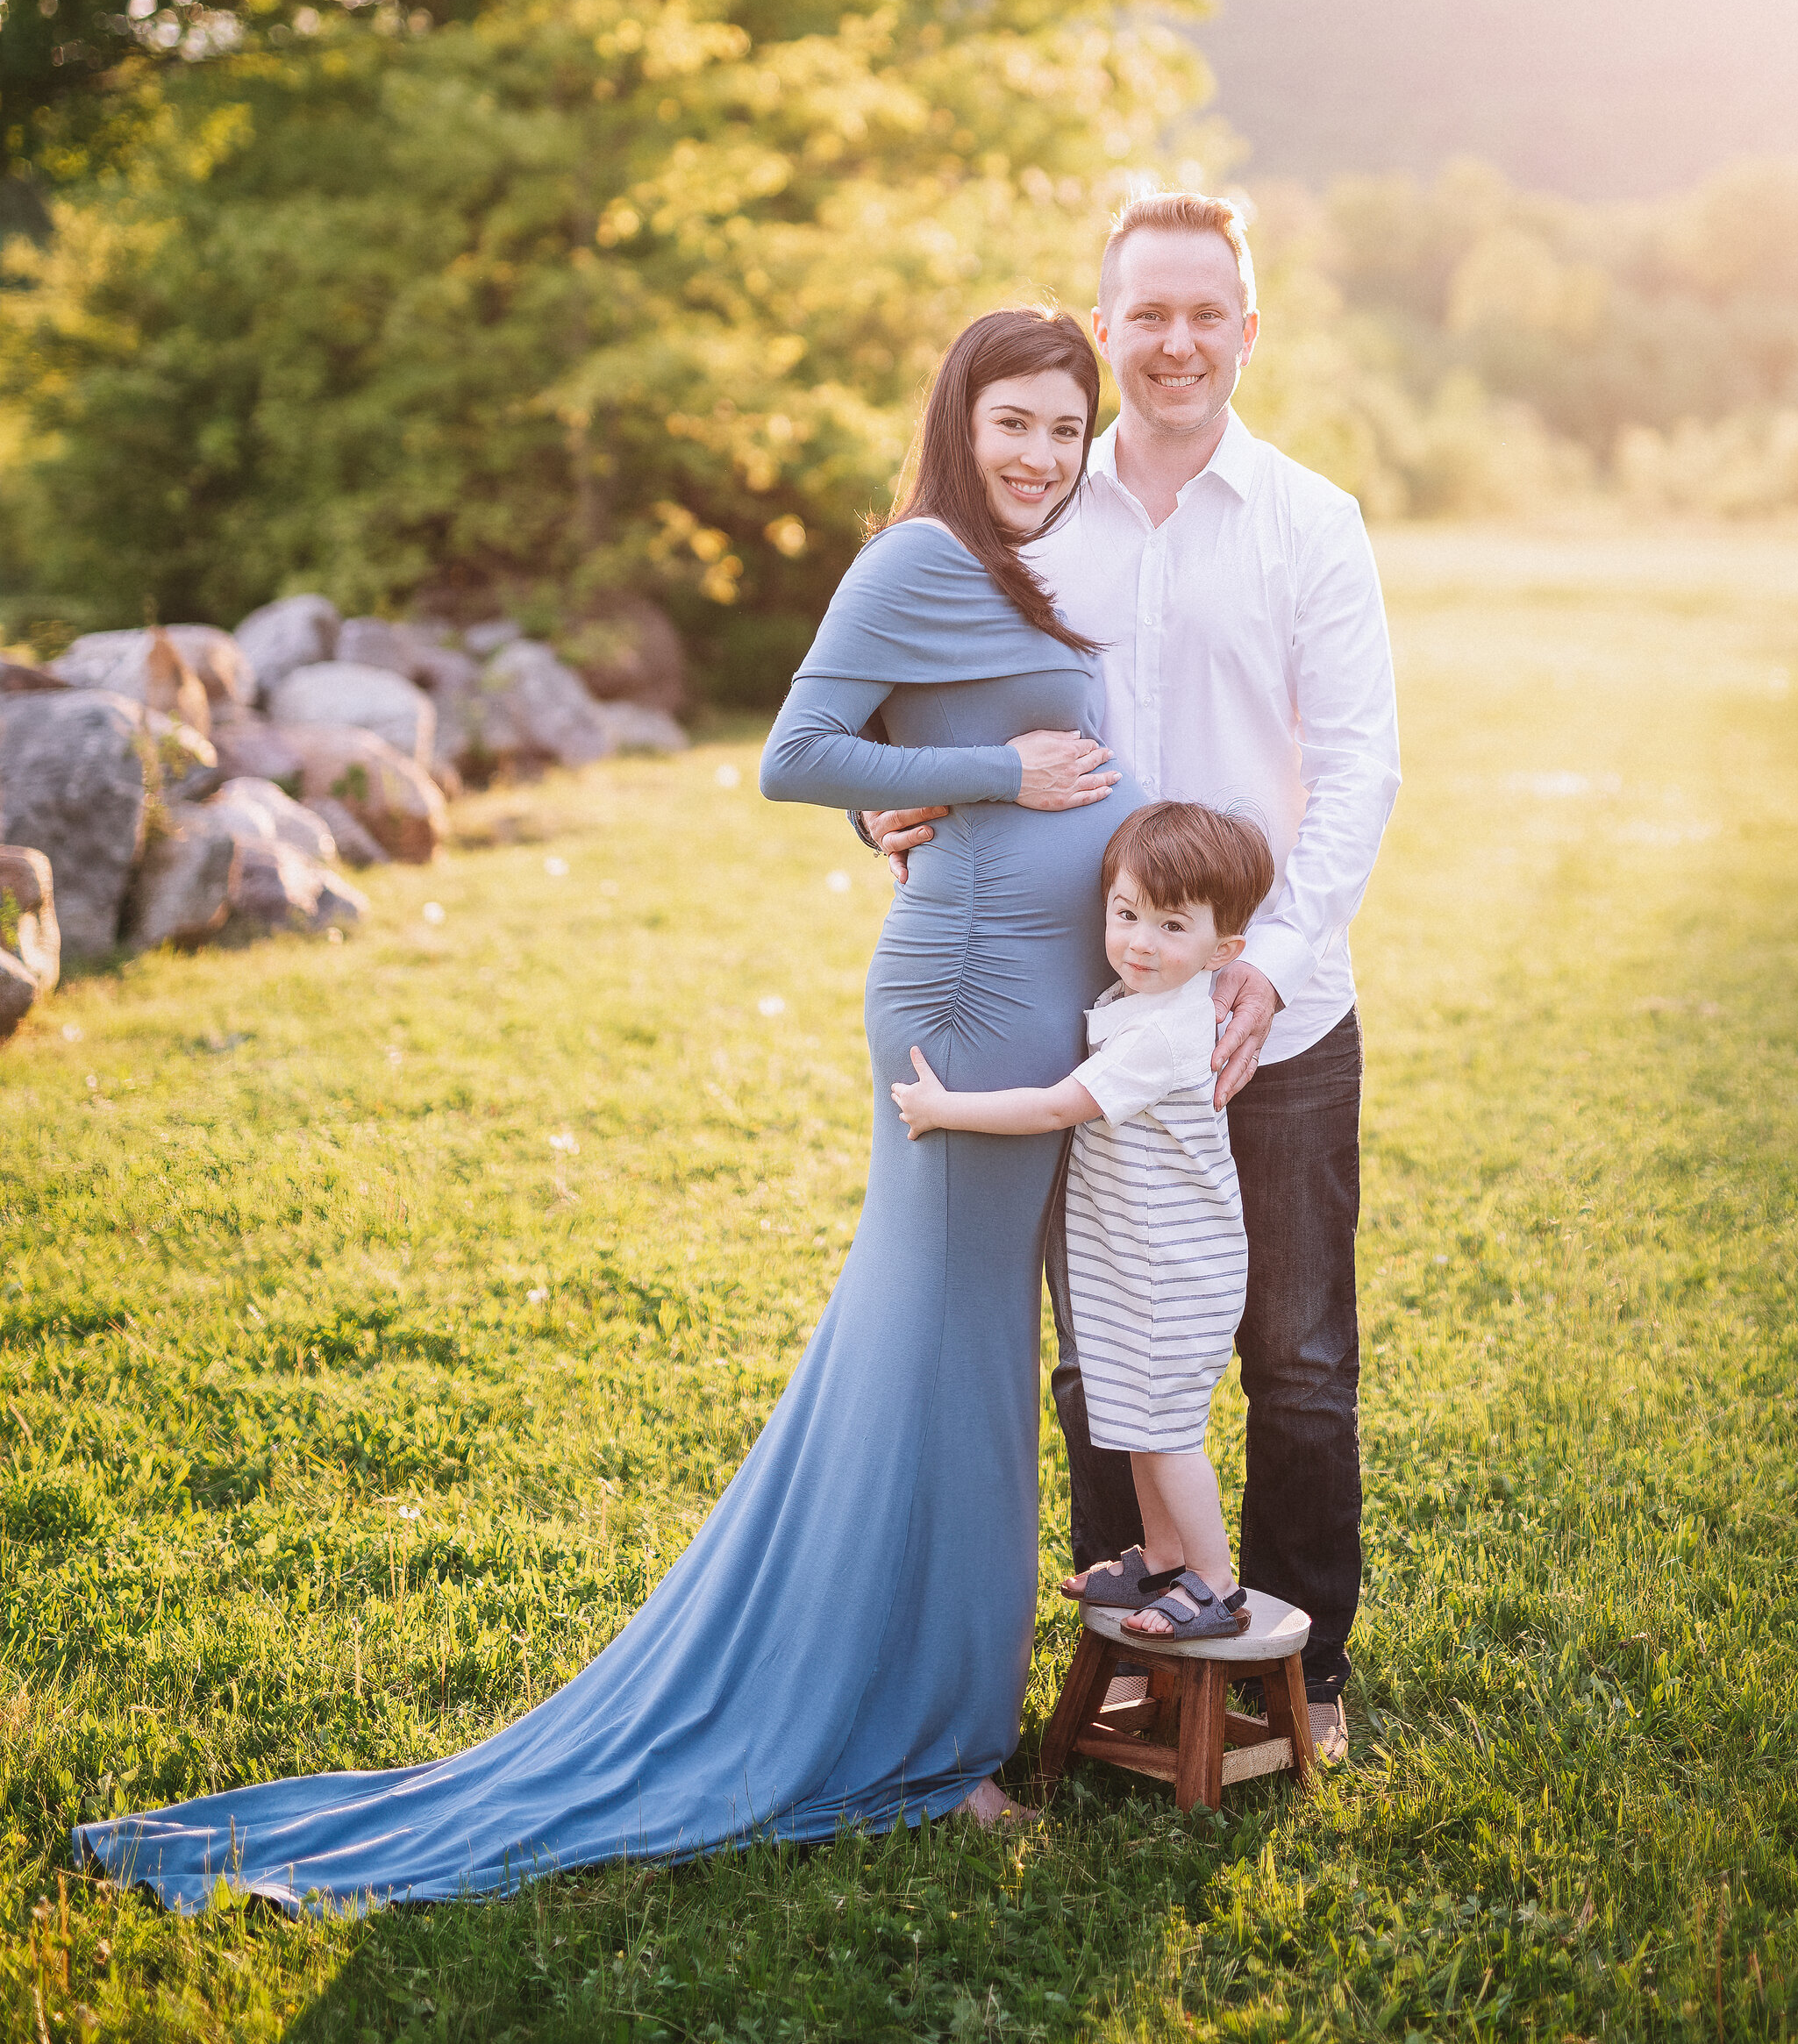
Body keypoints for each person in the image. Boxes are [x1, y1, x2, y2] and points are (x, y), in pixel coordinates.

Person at [74, 308, 1131, 1908]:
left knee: (943, 1349)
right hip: (971, 999)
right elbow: (791, 757)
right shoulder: (918, 556)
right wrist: (999, 779)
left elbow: (896, 756)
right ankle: (930, 1747)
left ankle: (918, 1712)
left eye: (1066, 425)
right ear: (959, 421)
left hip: (1019, 987)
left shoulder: (1021, 566)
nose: (1042, 453)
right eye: (1016, 422)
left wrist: (951, 781)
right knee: (948, 1357)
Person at [864, 193, 1402, 1759]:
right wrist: (888, 795)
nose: (1176, 341)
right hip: (1076, 1011)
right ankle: (1143, 1658)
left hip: (1272, 1015)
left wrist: (1274, 962)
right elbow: (918, 712)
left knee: (1296, 1355)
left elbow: (1360, 765)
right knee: (1104, 1342)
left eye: (1206, 313)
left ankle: (1315, 1670)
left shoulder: (1311, 520)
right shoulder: (1032, 511)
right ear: (1108, 331)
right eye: (1146, 314)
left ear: (1249, 329)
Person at [891, 799, 1275, 1645]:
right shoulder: (1142, 997)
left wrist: (945, 1108)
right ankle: (1163, 1554)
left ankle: (1214, 1579)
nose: (1141, 940)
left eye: (1172, 926)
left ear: (1224, 952)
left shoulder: (1170, 1030)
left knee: (1168, 1431)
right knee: (1139, 1420)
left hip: (1174, 1268)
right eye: (1127, 913)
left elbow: (1059, 1106)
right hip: (1142, 1261)